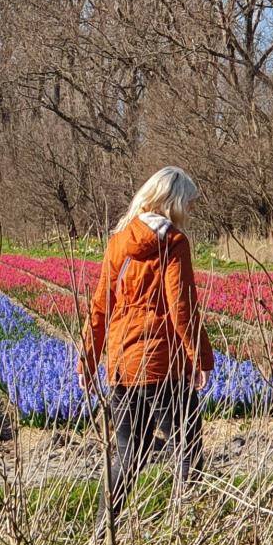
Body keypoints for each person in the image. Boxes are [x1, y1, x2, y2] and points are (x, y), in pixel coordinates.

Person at [78, 165, 215, 525]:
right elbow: (180, 304)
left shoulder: (120, 240)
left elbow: (100, 305)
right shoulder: (173, 243)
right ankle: (190, 525)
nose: (189, 211)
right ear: (173, 202)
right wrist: (199, 357)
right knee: (188, 446)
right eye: (188, 203)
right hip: (161, 364)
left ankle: (103, 527)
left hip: (122, 363)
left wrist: (88, 362)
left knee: (128, 452)